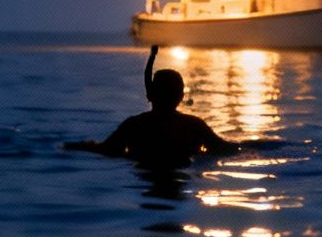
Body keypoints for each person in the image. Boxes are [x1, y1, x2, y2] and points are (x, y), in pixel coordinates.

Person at [66, 68, 238, 166]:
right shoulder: (194, 126)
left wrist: (77, 146)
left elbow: (107, 150)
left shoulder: (134, 125)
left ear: (150, 95)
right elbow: (226, 149)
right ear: (181, 96)